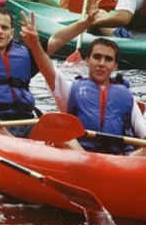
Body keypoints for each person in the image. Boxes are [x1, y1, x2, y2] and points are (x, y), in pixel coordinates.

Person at [19, 10, 146, 156]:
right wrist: (35, 45)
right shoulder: (70, 89)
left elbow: (143, 135)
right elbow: (48, 70)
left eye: (108, 59)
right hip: (81, 155)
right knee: (63, 138)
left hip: (119, 160)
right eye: (96, 57)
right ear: (87, 60)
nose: (102, 63)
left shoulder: (126, 96)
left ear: (115, 66)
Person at [0, 6, 61, 138]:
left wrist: (87, 22)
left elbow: (59, 38)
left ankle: (86, 157)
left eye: (4, 27)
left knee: (56, 126)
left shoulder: (26, 56)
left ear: (12, 33)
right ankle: (24, 151)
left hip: (26, 121)